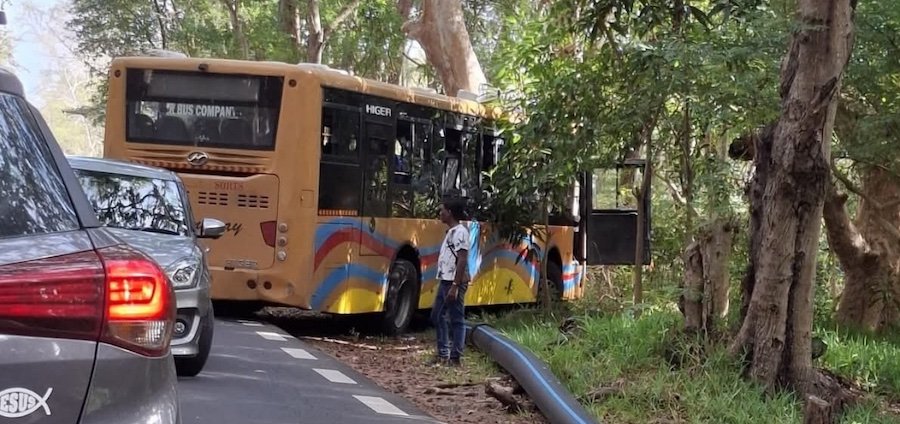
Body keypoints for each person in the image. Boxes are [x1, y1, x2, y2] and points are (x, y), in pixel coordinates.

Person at [429, 197, 470, 367]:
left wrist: (455, 285)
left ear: (450, 212)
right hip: (445, 280)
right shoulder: (451, 232)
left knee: (456, 319)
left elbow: (462, 260)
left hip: (453, 282)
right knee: (437, 316)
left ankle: (455, 358)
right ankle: (443, 353)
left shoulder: (460, 232)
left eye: (442, 210)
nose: (440, 213)